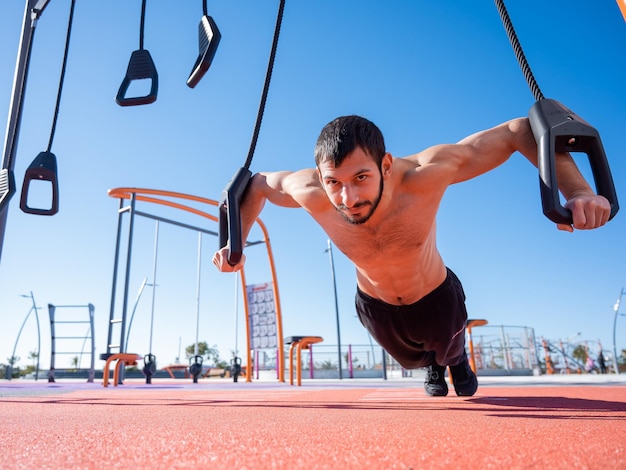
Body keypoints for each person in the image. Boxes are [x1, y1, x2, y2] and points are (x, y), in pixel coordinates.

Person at [213, 115, 610, 397]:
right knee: (414, 360)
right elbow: (258, 184)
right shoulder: (311, 191)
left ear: (385, 164)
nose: (347, 198)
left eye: (361, 178)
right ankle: (433, 364)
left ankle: (455, 361)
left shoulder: (426, 173)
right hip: (375, 305)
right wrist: (236, 244)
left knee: (449, 349)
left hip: (437, 295)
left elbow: (518, 130)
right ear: (319, 177)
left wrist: (575, 189)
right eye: (333, 182)